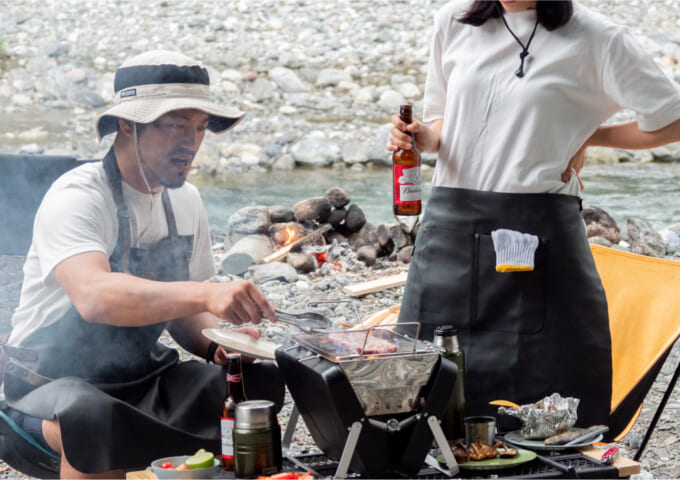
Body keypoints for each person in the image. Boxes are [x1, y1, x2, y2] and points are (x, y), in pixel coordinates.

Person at [388, 0, 680, 429]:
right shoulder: (453, 20)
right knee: (424, 387)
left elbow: (671, 119)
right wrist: (420, 137)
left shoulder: (597, 37)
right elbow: (444, 125)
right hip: (449, 229)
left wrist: (591, 136)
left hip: (540, 234)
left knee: (548, 403)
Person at [0, 50, 284, 478]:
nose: (192, 143)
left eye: (201, 128)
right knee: (96, 420)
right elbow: (95, 298)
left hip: (141, 380)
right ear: (128, 125)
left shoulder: (185, 201)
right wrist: (208, 292)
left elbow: (184, 314)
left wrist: (220, 345)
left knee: (252, 391)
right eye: (176, 126)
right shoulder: (78, 195)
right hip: (45, 391)